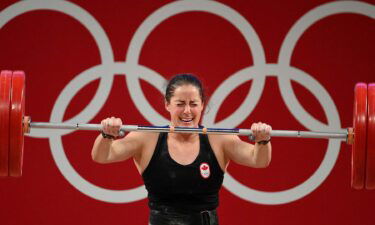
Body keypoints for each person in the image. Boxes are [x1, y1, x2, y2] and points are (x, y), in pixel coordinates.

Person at [91, 74, 272, 225]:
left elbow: (258, 160)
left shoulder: (220, 139)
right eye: (180, 104)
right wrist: (107, 134)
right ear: (167, 104)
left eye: (193, 104)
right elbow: (102, 156)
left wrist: (263, 140)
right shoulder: (147, 138)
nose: (187, 111)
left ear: (202, 105)